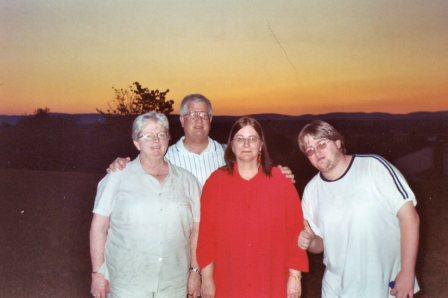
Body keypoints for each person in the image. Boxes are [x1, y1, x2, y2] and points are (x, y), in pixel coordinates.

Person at [297, 120, 420, 298]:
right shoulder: (311, 190)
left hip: (383, 284)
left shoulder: (373, 166)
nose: (316, 152)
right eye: (310, 150)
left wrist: (407, 273)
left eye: (322, 144)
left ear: (338, 142)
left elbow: (409, 217)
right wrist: (310, 241)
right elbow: (320, 244)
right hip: (336, 287)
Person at [89, 112, 201, 298]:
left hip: (173, 284)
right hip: (127, 284)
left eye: (161, 134)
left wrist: (194, 271)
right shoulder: (116, 177)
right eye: (148, 135)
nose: (156, 140)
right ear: (136, 142)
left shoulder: (188, 181)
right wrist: (97, 273)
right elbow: (98, 227)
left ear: (168, 139)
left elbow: (197, 230)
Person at [197, 117, 309, 298]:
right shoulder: (216, 183)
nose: (246, 144)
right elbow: (207, 236)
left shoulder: (281, 182)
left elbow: (295, 231)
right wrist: (207, 279)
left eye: (252, 139)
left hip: (272, 282)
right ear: (231, 146)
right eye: (240, 139)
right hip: (228, 282)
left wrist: (295, 277)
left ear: (261, 145)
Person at [108, 94, 294, 186]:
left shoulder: (228, 154)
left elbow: (258, 174)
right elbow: (140, 167)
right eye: (192, 114)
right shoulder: (165, 156)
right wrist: (119, 164)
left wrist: (279, 174)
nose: (198, 120)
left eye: (204, 115)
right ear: (182, 119)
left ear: (210, 120)